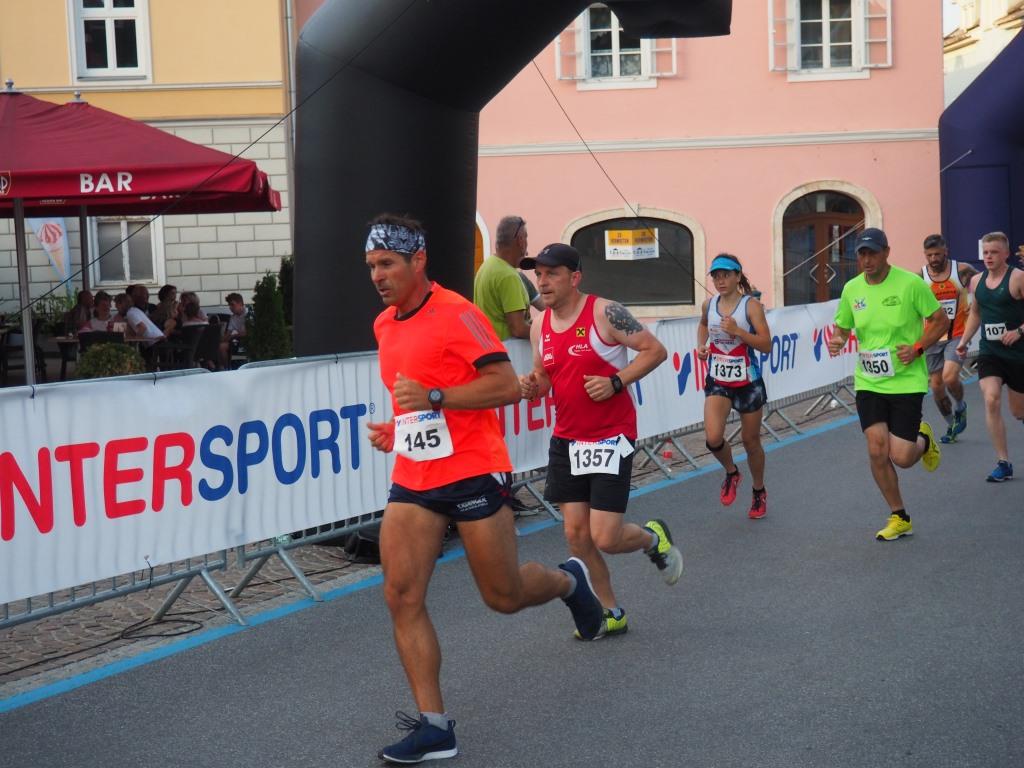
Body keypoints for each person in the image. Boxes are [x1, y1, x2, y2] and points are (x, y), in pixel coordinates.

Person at [364, 214, 604, 764]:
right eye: (371, 266)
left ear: (418, 261)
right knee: (401, 595)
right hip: (416, 476)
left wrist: (436, 398)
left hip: (473, 469)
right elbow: (414, 400)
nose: (377, 276)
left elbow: (503, 386)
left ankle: (570, 582)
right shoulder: (384, 325)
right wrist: (398, 427)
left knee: (503, 597)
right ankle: (434, 726)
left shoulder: (458, 313)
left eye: (387, 264)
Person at [518, 242, 682, 640]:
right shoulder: (539, 325)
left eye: (552, 274)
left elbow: (655, 350)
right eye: (538, 274)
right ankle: (611, 612)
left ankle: (653, 538)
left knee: (605, 537)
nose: (543, 282)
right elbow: (544, 375)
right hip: (567, 439)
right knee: (577, 535)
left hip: (610, 437)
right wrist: (533, 386)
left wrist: (616, 382)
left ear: (574, 277)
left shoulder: (605, 313)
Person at [827, 228, 948, 541]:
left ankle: (924, 439)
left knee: (902, 457)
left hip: (906, 381)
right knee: (876, 449)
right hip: (869, 381)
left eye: (873, 253)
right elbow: (842, 327)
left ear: (887, 253)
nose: (867, 260)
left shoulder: (910, 284)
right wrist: (838, 340)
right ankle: (899, 516)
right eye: (862, 254)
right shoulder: (852, 289)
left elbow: (940, 321)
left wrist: (918, 347)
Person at [696, 254, 774, 519]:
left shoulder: (750, 306)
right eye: (716, 276)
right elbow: (703, 324)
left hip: (747, 382)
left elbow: (766, 344)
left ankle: (758, 490)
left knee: (750, 441)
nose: (720, 281)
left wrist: (739, 331)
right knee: (713, 438)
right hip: (719, 379)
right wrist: (701, 346)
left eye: (726, 275)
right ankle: (732, 472)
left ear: (737, 276)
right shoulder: (709, 304)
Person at [955, 231, 1024, 482]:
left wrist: (1019, 331)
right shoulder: (976, 281)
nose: (988, 257)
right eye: (985, 252)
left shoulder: (1018, 278)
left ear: (1006, 253)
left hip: (1018, 354)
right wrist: (963, 342)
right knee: (991, 399)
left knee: (1018, 412)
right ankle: (1003, 462)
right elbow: (976, 312)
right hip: (990, 352)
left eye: (994, 252)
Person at [919, 234, 976, 443]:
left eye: (937, 254)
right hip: (932, 337)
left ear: (946, 252)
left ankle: (960, 407)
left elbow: (983, 284)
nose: (933, 259)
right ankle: (952, 424)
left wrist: (975, 301)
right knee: (936, 386)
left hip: (957, 334)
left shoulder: (962, 270)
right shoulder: (920, 277)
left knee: (950, 377)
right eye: (929, 255)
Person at [472, 215, 532, 339]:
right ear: (520, 241)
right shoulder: (508, 276)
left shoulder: (487, 266)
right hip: (508, 349)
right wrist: (544, 332)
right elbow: (518, 329)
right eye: (526, 238)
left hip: (489, 345)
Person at [219, 292, 247, 368]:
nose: (230, 307)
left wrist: (233, 336)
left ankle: (227, 368)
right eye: (229, 305)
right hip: (237, 342)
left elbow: (247, 333)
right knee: (220, 346)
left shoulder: (248, 314)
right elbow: (228, 333)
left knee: (223, 347)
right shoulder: (233, 317)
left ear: (240, 304)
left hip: (247, 342)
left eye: (232, 305)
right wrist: (220, 340)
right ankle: (225, 368)